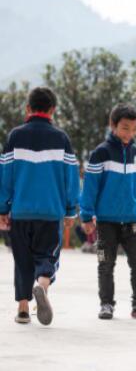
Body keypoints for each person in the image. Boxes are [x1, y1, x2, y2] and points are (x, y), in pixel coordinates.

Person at [0, 87, 79, 326]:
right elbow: (71, 178)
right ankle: (42, 286)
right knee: (48, 256)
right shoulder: (61, 139)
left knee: (22, 261)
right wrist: (70, 210)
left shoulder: (15, 136)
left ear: (28, 108)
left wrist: (2, 208)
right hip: (50, 212)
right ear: (53, 110)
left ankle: (23, 310)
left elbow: (5, 176)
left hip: (20, 212)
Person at [80, 104, 136, 321]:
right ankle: (106, 304)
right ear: (113, 125)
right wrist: (86, 215)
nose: (129, 134)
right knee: (105, 263)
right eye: (125, 128)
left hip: (133, 219)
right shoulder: (101, 153)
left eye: (134, 129)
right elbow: (90, 187)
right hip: (106, 221)